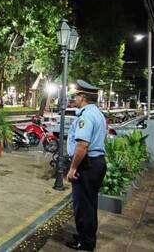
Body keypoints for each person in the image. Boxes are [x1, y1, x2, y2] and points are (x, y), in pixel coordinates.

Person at [65, 80, 107, 251]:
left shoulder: (86, 116)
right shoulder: (96, 113)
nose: (74, 98)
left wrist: (73, 168)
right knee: (88, 203)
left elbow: (82, 145)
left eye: (76, 95)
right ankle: (85, 235)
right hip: (95, 163)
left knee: (83, 205)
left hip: (87, 165)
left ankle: (86, 242)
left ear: (83, 97)